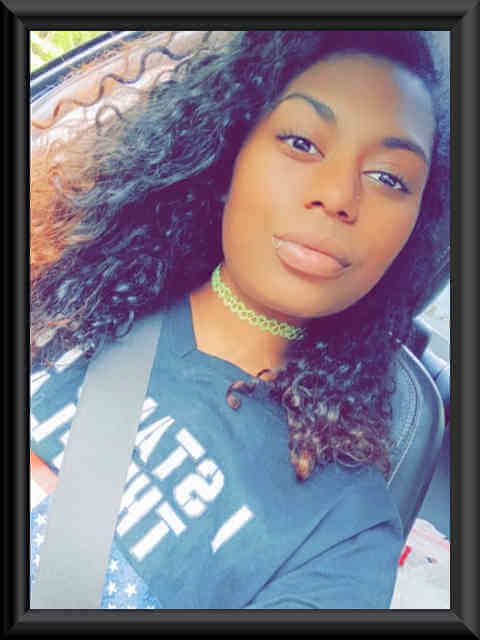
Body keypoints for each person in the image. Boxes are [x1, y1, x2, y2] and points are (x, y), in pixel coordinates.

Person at [29, 30, 450, 609]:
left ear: (409, 234)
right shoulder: (63, 285)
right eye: (302, 142)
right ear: (230, 158)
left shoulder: (346, 534)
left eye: (389, 178)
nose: (337, 196)